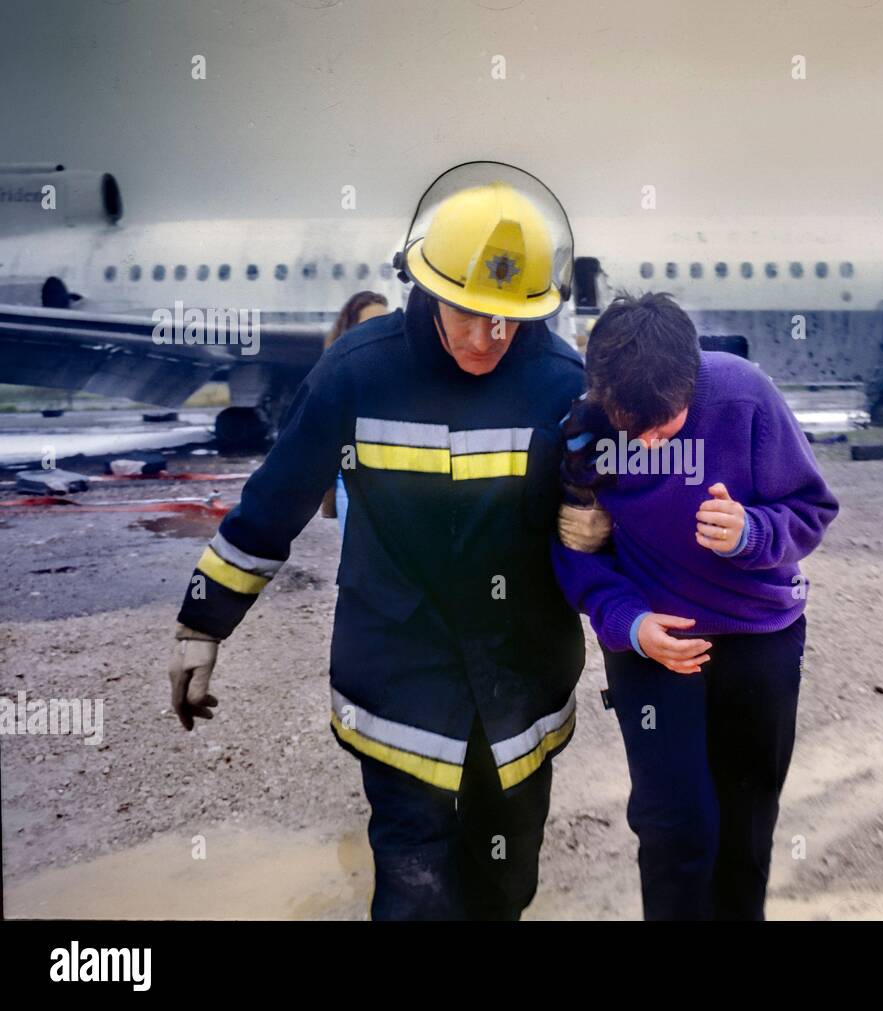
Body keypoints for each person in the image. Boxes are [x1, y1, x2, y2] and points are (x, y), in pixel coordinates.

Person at [167, 163, 586, 920]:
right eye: (467, 312)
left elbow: (616, 509)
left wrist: (604, 534)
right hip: (399, 681)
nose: (488, 336)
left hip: (519, 688)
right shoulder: (357, 373)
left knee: (505, 883)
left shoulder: (563, 382)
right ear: (426, 287)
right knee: (414, 893)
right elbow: (275, 501)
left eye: (508, 317)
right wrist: (203, 622)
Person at [553, 291, 839, 920]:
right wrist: (628, 622)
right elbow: (578, 552)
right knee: (672, 828)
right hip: (653, 649)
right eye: (635, 426)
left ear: (693, 378)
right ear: (603, 393)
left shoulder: (744, 394)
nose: (650, 443)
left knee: (746, 825)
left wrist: (751, 534)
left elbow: (813, 511)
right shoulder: (583, 435)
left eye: (668, 424)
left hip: (759, 638)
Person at [320, 291, 389, 534]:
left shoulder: (398, 369)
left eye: (385, 323)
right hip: (350, 481)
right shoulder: (337, 373)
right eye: (370, 325)